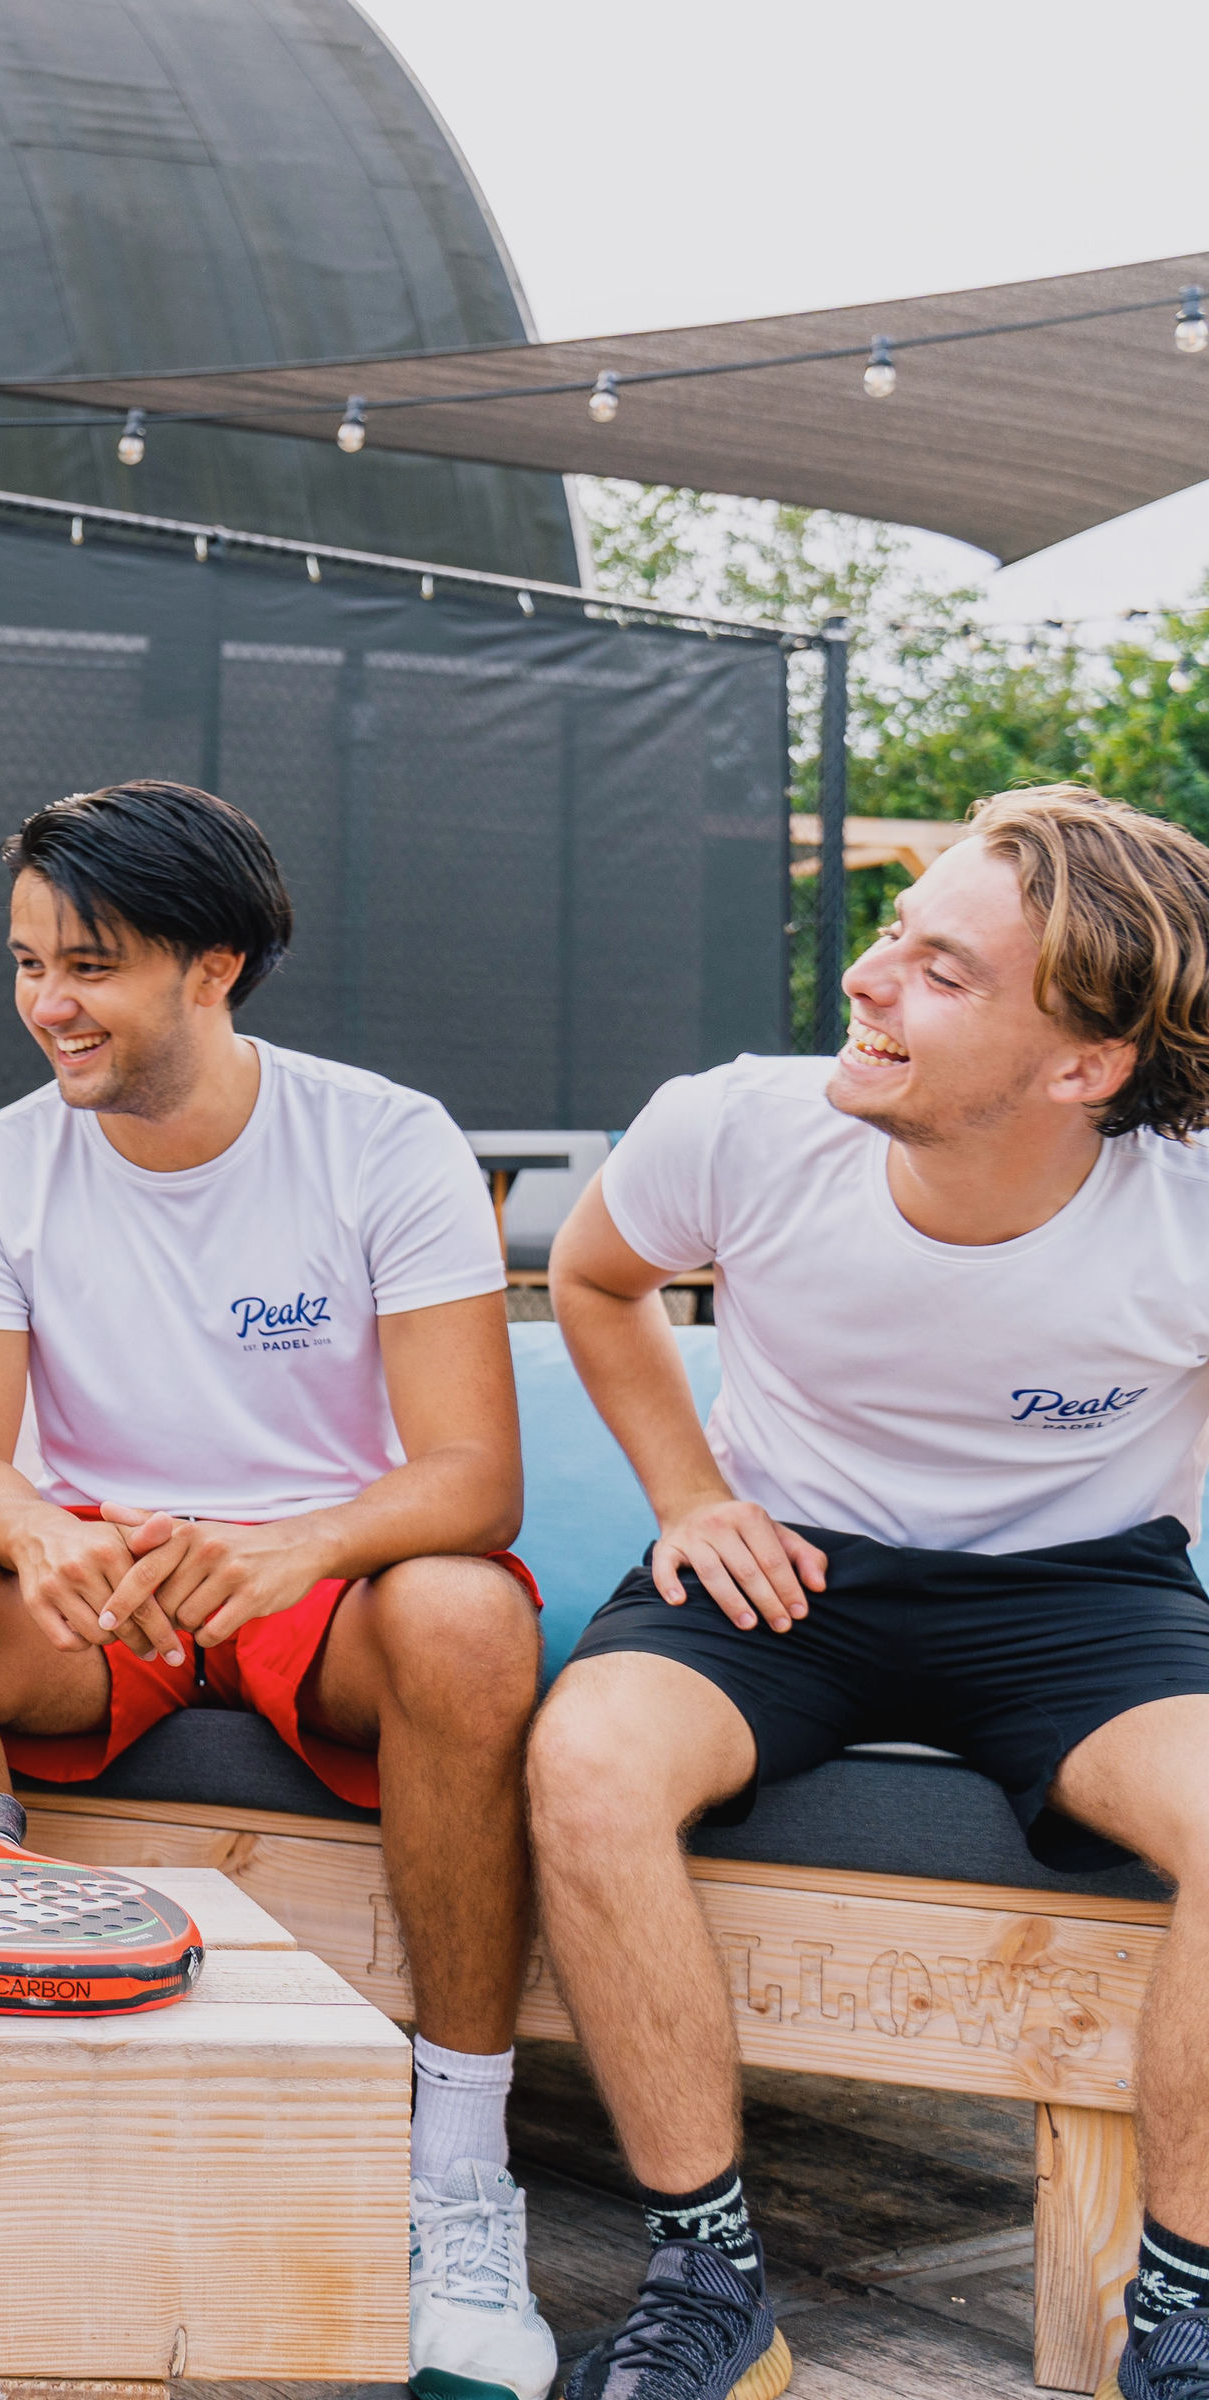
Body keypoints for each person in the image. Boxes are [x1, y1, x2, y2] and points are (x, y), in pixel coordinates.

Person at [0, 779, 557, 2400]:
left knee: (466, 1613)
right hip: (112, 1584)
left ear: (213, 967)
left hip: (322, 1576)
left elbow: (473, 1478)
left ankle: (458, 2180)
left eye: (89, 966)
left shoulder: (385, 1139)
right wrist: (34, 1530)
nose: (48, 1004)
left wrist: (300, 1546)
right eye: (28, 964)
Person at [534, 785, 1209, 2400]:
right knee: (590, 1762)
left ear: (1085, 1064)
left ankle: (1184, 2319)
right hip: (792, 1570)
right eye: (896, 934)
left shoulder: (1191, 1201)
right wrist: (690, 1495)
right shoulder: (737, 1124)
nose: (866, 976)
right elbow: (596, 1275)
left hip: (1082, 1595)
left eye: (942, 970)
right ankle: (711, 2290)